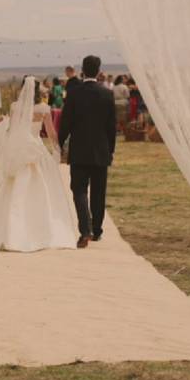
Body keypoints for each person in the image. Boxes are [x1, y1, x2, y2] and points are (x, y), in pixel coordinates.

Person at [0, 77, 77, 252]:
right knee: (41, 188)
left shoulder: (15, 107)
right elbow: (51, 133)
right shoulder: (44, 109)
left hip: (18, 150)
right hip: (36, 149)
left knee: (11, 188)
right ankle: (38, 230)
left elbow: (12, 130)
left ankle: (8, 231)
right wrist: (57, 149)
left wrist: (2, 124)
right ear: (38, 90)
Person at [59, 55, 116, 249]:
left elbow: (65, 122)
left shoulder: (74, 93)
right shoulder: (107, 94)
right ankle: (97, 231)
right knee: (99, 192)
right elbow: (111, 127)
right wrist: (111, 150)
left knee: (79, 190)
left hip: (79, 150)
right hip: (101, 150)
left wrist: (59, 143)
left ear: (82, 70)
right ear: (99, 71)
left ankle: (85, 230)